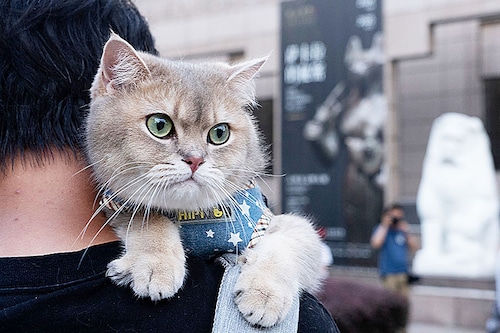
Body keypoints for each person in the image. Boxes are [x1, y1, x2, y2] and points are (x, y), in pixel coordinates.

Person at [0, 1, 339, 332]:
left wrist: (277, 263)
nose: (194, 157)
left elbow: (292, 234)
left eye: (218, 133)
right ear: (111, 85)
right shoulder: (304, 323)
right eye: (161, 126)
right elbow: (122, 210)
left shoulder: (248, 213)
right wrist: (149, 230)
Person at [370, 203, 419, 299]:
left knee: (404, 302)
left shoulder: (402, 231)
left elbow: (415, 247)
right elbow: (376, 243)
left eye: (399, 217)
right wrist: (385, 225)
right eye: (394, 217)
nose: (396, 219)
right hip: (389, 274)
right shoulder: (382, 229)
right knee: (391, 302)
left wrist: (407, 231)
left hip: (403, 273)